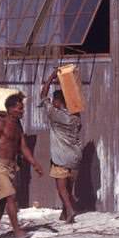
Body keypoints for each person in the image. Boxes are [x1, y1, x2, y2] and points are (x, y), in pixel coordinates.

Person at [0, 91, 43, 238]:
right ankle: (18, 232)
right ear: (10, 109)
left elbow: (23, 147)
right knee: (10, 196)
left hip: (11, 166)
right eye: (19, 108)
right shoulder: (0, 123)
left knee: (3, 200)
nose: (22, 111)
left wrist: (34, 163)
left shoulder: (18, 125)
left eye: (22, 108)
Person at [40, 69, 83, 223]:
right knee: (69, 187)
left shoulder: (54, 114)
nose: (52, 101)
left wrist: (51, 77)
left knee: (61, 188)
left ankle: (70, 210)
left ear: (58, 101)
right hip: (76, 157)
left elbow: (42, 95)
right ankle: (65, 212)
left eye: (54, 99)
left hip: (61, 157)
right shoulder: (76, 116)